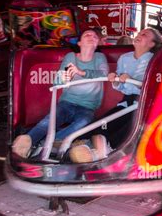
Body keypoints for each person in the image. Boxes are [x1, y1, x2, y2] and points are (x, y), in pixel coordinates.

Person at [69, 28, 162, 163]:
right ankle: (82, 145)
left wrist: (133, 81)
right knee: (102, 124)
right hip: (126, 103)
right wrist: (115, 80)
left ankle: (106, 151)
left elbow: (153, 86)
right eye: (140, 33)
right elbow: (120, 86)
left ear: (152, 44)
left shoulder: (154, 60)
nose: (139, 35)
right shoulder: (125, 58)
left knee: (130, 127)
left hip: (143, 105)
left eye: (144, 35)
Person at [12, 29, 109, 158]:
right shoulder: (71, 57)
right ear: (79, 43)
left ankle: (45, 144)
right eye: (87, 35)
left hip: (87, 106)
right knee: (48, 122)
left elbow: (103, 74)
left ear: (97, 43)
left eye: (95, 36)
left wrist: (81, 72)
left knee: (84, 121)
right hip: (67, 102)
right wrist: (62, 78)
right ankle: (26, 142)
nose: (91, 36)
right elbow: (58, 80)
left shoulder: (99, 58)